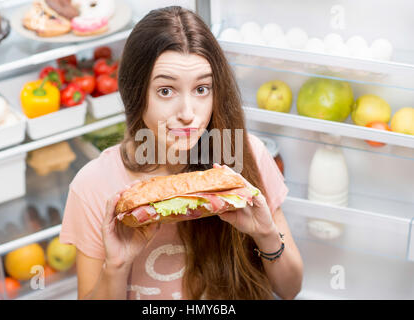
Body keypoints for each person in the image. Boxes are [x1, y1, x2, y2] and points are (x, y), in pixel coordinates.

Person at [60, 6, 303, 300]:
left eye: (202, 89)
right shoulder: (93, 185)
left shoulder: (248, 155)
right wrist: (116, 265)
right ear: (135, 94)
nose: (188, 114)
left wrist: (265, 235)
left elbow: (290, 290)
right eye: (166, 91)